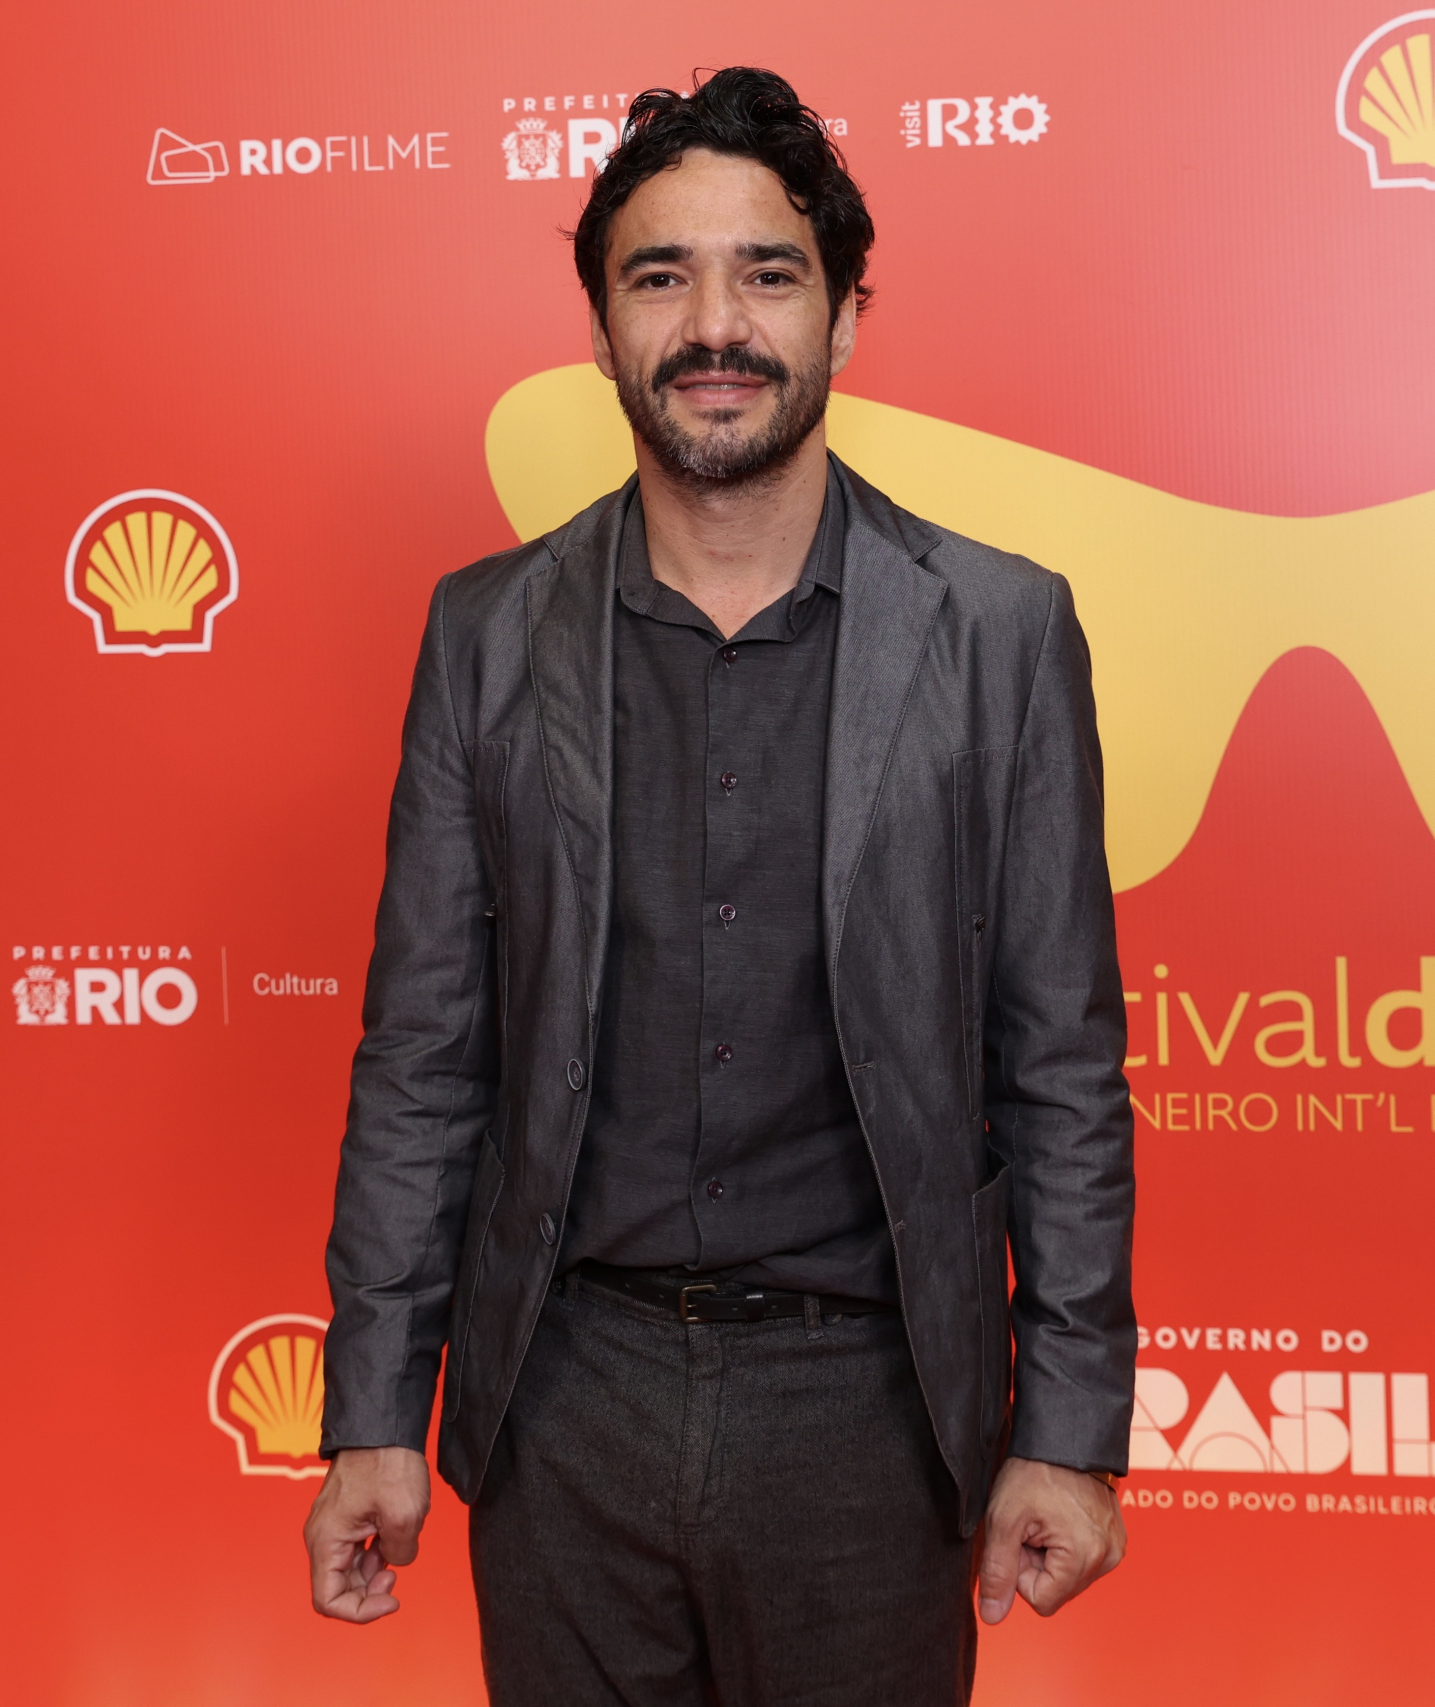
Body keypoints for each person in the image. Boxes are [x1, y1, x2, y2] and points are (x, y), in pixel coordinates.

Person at [305, 65, 1136, 1707]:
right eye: (659, 276)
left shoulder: (1000, 632)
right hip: (568, 1403)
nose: (715, 327)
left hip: (874, 1411)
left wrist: (1069, 1430)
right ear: (600, 326)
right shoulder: (487, 634)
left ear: (846, 317)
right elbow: (424, 1055)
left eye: (767, 274)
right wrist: (376, 1410)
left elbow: (1060, 1068)